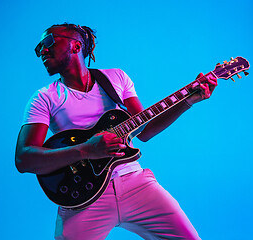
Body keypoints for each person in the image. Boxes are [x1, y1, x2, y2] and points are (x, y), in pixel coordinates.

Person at [15, 23, 217, 240]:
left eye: (48, 42)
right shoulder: (44, 97)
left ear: (75, 45)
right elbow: (24, 159)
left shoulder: (116, 78)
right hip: (83, 198)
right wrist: (85, 151)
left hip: (135, 184)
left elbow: (145, 130)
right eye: (39, 48)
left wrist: (188, 100)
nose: (42, 51)